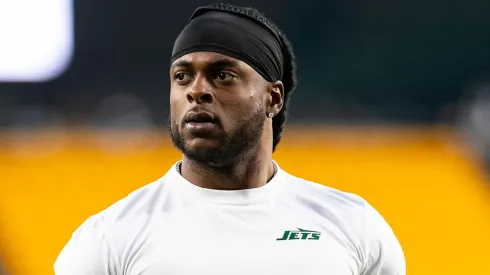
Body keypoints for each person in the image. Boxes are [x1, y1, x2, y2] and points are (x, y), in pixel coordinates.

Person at [54, 3, 406, 275]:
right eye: (182, 76)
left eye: (222, 75)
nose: (197, 91)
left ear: (274, 98)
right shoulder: (108, 238)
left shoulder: (353, 224)